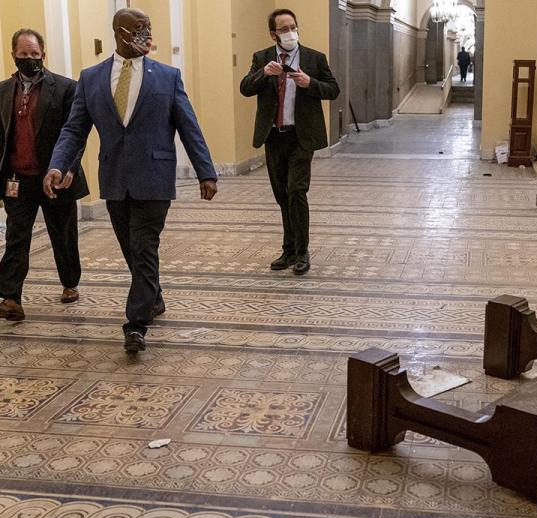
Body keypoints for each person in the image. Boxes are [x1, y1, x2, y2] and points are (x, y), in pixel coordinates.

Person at [46, 8, 218, 354]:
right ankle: (153, 297)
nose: (146, 35)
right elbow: (74, 129)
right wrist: (58, 165)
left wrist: (206, 171)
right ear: (119, 32)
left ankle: (135, 324)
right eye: (139, 30)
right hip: (115, 178)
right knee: (131, 249)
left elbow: (189, 126)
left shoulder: (167, 76)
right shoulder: (91, 77)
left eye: (149, 28)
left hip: (154, 177)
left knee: (143, 245)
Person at [0, 29, 88, 322]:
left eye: (34, 54)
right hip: (18, 176)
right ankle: (10, 299)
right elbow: (1, 135)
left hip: (55, 177)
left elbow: (75, 132)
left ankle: (70, 282)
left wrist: (69, 167)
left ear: (43, 54)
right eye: (23, 54)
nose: (29, 59)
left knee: (63, 234)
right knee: (16, 237)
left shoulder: (67, 88)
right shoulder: (4, 89)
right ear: (14, 55)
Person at [240, 8, 340, 275]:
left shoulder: (314, 58)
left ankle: (302, 251)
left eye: (293, 27)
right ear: (273, 33)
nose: (290, 32)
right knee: (282, 194)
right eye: (283, 29)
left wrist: (310, 83)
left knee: (297, 190)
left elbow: (333, 89)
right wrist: (264, 73)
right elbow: (245, 88)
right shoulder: (262, 58)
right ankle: (288, 248)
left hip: (301, 136)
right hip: (274, 136)